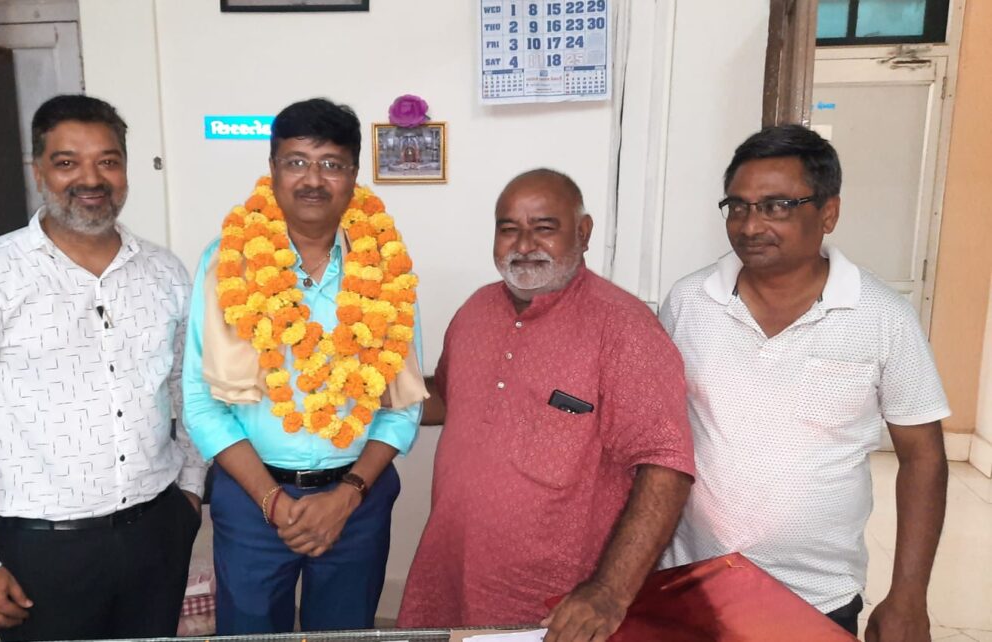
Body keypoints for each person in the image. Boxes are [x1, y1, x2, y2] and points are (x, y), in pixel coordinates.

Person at [0, 94, 206, 642]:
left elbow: (188, 391)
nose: (91, 178)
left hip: (157, 530)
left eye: (108, 161)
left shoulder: (165, 272)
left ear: (125, 170)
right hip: (41, 549)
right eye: (67, 162)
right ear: (38, 171)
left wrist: (190, 488)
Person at [659, 124, 949, 641]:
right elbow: (653, 435)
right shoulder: (689, 302)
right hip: (691, 580)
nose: (751, 225)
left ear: (828, 213)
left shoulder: (883, 317)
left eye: (777, 206)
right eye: (738, 206)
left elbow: (923, 458)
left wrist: (909, 594)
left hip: (818, 596)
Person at [398, 169, 696, 642]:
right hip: (451, 566)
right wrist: (360, 387)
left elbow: (666, 466)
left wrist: (609, 592)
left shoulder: (624, 327)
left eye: (544, 227)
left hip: (552, 599)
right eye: (508, 228)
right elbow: (449, 399)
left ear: (584, 232)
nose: (524, 245)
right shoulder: (475, 310)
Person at [183, 97, 425, 633]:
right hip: (251, 497)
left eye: (331, 164)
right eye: (296, 162)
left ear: (353, 176)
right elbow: (200, 402)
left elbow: (401, 405)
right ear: (272, 170)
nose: (313, 179)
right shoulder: (226, 263)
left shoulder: (386, 268)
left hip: (357, 499)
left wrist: (347, 496)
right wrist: (270, 500)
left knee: (343, 633)